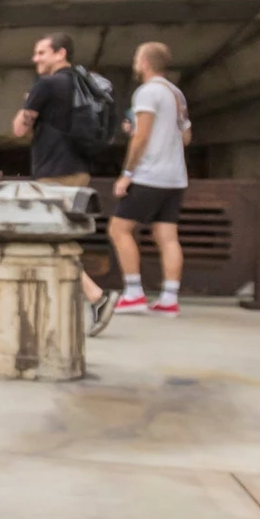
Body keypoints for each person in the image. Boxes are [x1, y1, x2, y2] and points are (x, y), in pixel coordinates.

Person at [12, 33, 120, 336]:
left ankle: (97, 297)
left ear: (60, 54)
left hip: (55, 172)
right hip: (79, 169)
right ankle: (57, 303)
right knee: (53, 238)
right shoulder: (82, 83)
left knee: (51, 241)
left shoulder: (47, 85)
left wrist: (27, 106)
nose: (36, 59)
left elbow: (20, 129)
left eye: (41, 52)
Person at [112, 41, 191, 318]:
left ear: (145, 63)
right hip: (175, 177)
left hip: (149, 175)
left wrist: (127, 174)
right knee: (167, 235)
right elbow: (186, 137)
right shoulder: (176, 94)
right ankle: (169, 298)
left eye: (137, 59)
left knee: (118, 229)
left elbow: (141, 137)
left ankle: (133, 293)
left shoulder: (147, 92)